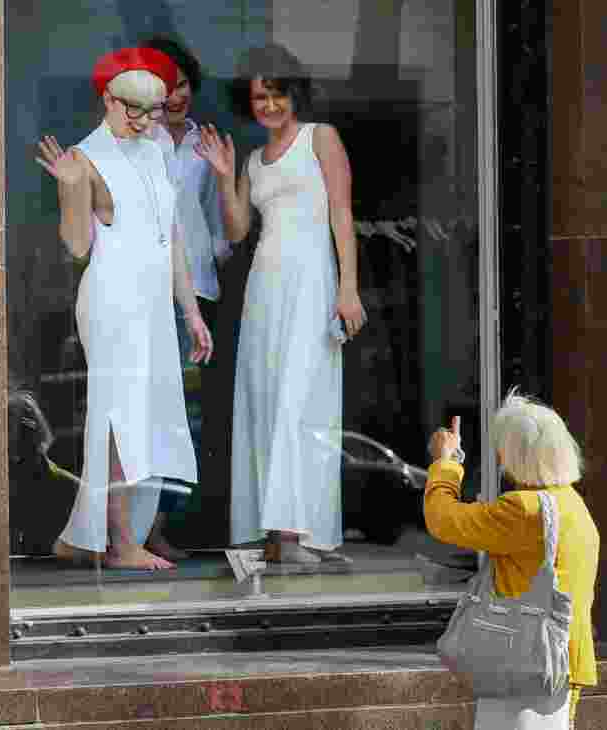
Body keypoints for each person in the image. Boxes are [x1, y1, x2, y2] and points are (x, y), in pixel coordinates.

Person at [35, 47, 213, 570]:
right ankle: (118, 542)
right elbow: (76, 247)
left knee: (146, 414)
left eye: (151, 111)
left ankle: (80, 535)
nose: (140, 120)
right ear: (107, 100)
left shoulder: (156, 151)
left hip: (153, 301)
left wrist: (192, 313)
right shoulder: (86, 157)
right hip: (112, 298)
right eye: (130, 109)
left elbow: (171, 238)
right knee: (118, 418)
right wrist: (70, 188)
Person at [196, 43, 367, 564]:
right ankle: (277, 533)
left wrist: (347, 287)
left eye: (275, 94)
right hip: (265, 289)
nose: (267, 105)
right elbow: (238, 229)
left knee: (303, 399)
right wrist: (225, 177)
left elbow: (342, 214)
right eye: (258, 97)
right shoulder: (252, 159)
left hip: (312, 282)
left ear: (294, 93)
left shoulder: (322, 139)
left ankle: (300, 532)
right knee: (267, 400)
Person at [424, 393, 599, 730]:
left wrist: (445, 464)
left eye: (502, 448)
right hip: (559, 664)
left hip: (522, 663)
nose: (500, 457)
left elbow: (442, 519)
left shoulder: (524, 509)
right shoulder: (572, 505)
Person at [140, 36, 231, 561]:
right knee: (147, 410)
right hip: (148, 289)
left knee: (187, 415)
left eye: (182, 85)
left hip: (196, 289)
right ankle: (137, 528)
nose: (175, 96)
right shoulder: (137, 138)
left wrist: (216, 248)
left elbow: (217, 222)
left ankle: (161, 524)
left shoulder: (204, 142)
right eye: (165, 86)